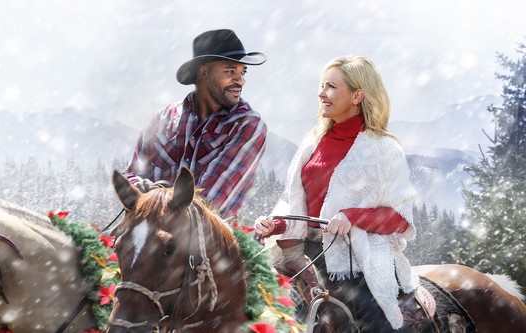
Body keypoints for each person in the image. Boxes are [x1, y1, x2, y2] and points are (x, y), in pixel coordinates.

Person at [254, 56, 417, 332]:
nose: (321, 93)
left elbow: (400, 218)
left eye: (331, 86)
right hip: (306, 254)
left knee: (378, 324)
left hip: (357, 264)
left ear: (357, 95)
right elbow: (298, 204)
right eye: (321, 85)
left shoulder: (386, 150)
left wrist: (351, 217)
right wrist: (276, 223)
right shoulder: (312, 144)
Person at [124, 29, 268, 219]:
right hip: (149, 235)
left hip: (208, 243)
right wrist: (146, 190)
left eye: (242, 72)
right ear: (203, 72)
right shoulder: (161, 120)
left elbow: (210, 202)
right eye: (230, 71)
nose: (240, 80)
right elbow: (131, 177)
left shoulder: (247, 125)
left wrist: (151, 195)